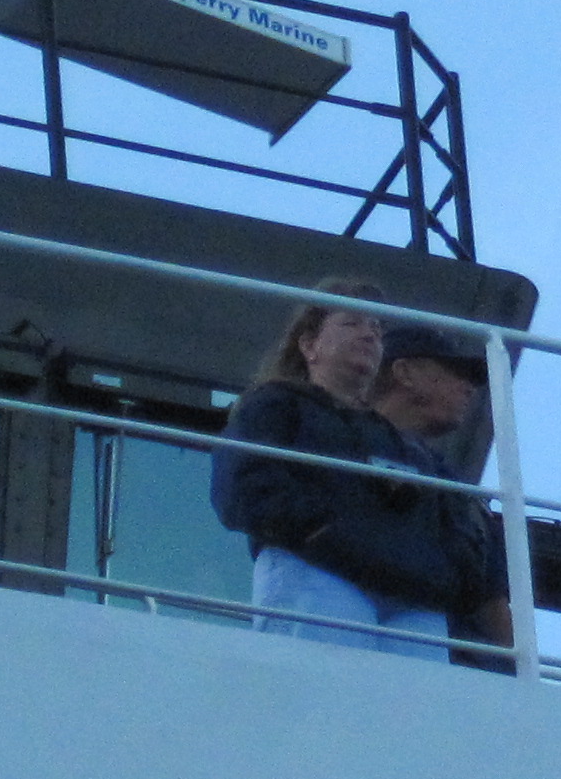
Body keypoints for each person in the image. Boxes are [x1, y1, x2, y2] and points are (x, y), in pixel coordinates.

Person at [210, 280, 492, 661]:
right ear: (309, 345)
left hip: (413, 601)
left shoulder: (410, 447)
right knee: (323, 690)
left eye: (376, 328)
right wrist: (321, 532)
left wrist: (446, 576)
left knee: (409, 702)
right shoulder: (275, 404)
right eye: (351, 323)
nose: (369, 334)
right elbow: (244, 485)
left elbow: (459, 526)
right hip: (319, 573)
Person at [369, 324, 514, 673]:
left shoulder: (456, 487)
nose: (469, 388)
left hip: (458, 663)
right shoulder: (336, 444)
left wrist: (521, 672)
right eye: (454, 372)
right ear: (404, 372)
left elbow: (492, 600)